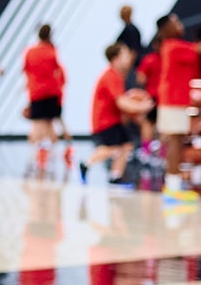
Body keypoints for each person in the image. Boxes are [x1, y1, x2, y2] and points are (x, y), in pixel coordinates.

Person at [152, 11, 201, 202]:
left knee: (177, 141)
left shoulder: (173, 46)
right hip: (173, 100)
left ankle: (174, 185)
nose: (180, 25)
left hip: (176, 100)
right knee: (175, 142)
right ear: (165, 29)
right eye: (175, 22)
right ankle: (173, 188)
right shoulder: (173, 46)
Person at [82, 43, 150, 184]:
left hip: (113, 119)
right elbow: (121, 102)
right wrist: (142, 106)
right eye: (125, 55)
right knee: (112, 148)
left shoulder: (117, 76)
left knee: (125, 146)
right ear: (115, 59)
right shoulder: (111, 76)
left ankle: (115, 176)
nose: (129, 57)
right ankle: (86, 163)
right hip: (105, 121)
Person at [21, 24, 70, 171]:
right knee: (50, 124)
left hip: (36, 92)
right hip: (51, 92)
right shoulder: (52, 51)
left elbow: (26, 71)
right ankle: (51, 155)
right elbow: (59, 73)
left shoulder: (30, 52)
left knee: (37, 125)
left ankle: (39, 154)